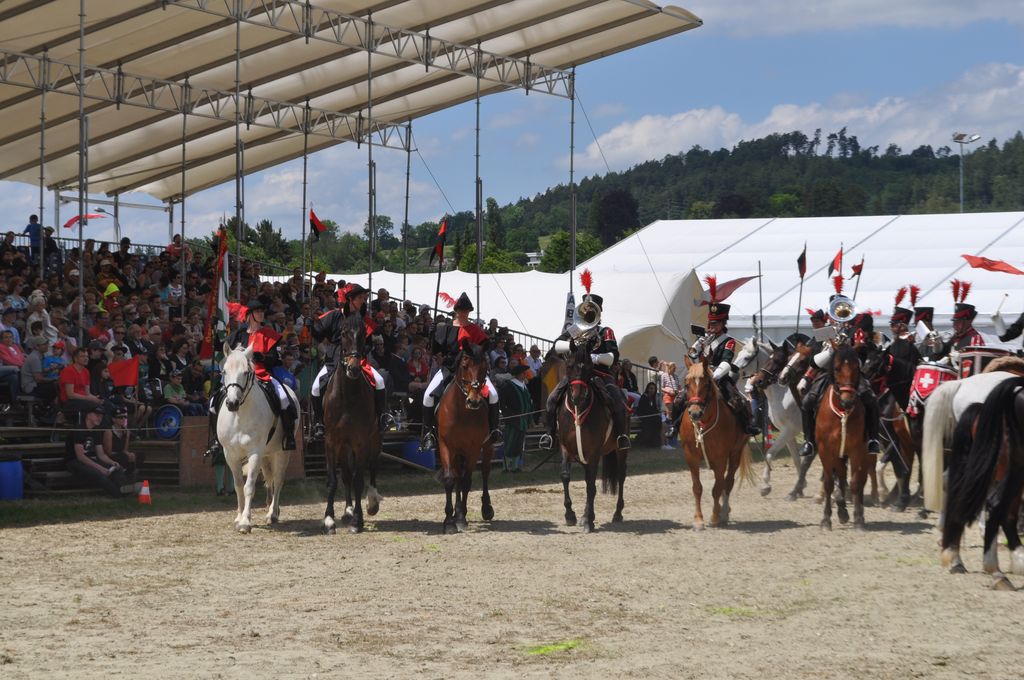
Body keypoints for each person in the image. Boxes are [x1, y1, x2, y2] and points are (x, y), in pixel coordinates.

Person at [540, 289, 632, 452]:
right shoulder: (575, 330)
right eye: (586, 310)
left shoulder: (605, 331)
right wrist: (571, 345)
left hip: (600, 374)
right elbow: (556, 345)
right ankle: (549, 434)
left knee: (617, 401)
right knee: (552, 398)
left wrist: (593, 358)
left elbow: (613, 354)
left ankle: (620, 436)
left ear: (599, 312)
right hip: (576, 375)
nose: (588, 314)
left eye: (592, 311)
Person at [798, 292, 882, 460]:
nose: (838, 313)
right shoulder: (826, 331)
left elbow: (864, 352)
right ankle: (809, 441)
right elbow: (815, 355)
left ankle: (873, 439)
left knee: (870, 399)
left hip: (851, 373)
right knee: (807, 402)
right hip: (829, 373)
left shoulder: (856, 330)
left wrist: (851, 346)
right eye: (835, 309)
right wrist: (808, 374)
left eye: (841, 308)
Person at [420, 292, 502, 450]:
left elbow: (487, 345)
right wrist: (431, 334)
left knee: (493, 394)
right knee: (427, 396)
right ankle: (428, 433)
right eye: (461, 310)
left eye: (466, 310)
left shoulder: (475, 329)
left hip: (473, 370)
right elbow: (436, 350)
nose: (463, 313)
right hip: (449, 368)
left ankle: (494, 430)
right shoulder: (445, 328)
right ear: (456, 310)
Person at [307, 283, 389, 441]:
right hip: (335, 358)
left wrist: (361, 351)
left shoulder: (363, 318)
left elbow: (370, 343)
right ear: (350, 299)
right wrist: (311, 327)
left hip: (358, 359)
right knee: (316, 387)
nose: (363, 301)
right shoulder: (335, 315)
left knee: (380, 382)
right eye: (360, 298)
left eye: (364, 298)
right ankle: (318, 422)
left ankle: (382, 418)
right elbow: (319, 336)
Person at [686, 289, 760, 436]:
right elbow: (694, 358)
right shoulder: (704, 339)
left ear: (723, 323)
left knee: (736, 400)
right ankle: (675, 426)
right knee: (682, 396)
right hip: (700, 374)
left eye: (716, 323)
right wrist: (697, 346)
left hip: (718, 375)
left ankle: (747, 425)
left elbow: (726, 361)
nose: (712, 326)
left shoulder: (728, 341)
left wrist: (713, 377)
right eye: (711, 323)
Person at [64, 404, 132, 497]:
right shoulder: (79, 429)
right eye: (97, 415)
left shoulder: (96, 431)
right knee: (99, 474)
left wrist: (112, 462)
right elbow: (80, 456)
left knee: (117, 469)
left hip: (88, 460)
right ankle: (119, 495)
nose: (100, 418)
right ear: (88, 415)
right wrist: (100, 468)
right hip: (74, 461)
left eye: (101, 416)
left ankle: (126, 491)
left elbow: (101, 454)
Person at [499, 364, 532, 472]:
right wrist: (508, 415)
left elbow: (528, 402)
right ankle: (507, 466)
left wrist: (530, 417)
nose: (525, 375)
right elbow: (503, 403)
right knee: (510, 442)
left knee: (519, 443)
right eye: (524, 373)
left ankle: (516, 466)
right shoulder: (508, 386)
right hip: (513, 419)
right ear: (519, 374)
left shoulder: (523, 386)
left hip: (523, 419)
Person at [103, 405, 144, 490]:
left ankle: (129, 475)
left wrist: (129, 454)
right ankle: (126, 477)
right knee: (124, 457)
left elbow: (125, 449)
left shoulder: (126, 432)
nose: (123, 419)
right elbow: (108, 452)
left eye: (124, 417)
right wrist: (125, 455)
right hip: (111, 456)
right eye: (120, 417)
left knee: (139, 455)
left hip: (121, 454)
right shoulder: (109, 431)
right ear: (113, 419)